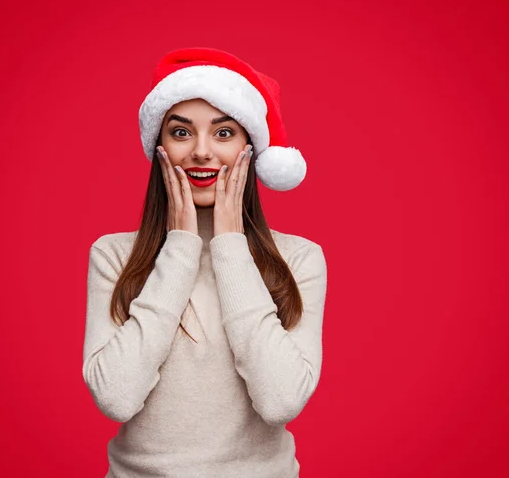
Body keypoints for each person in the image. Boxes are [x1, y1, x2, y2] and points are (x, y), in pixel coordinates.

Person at [82, 47, 328, 478]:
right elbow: (116, 397)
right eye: (181, 133)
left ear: (249, 148)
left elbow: (281, 401)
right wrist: (180, 246)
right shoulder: (113, 256)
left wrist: (231, 246)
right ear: (159, 146)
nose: (201, 152)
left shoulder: (300, 259)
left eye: (223, 133)